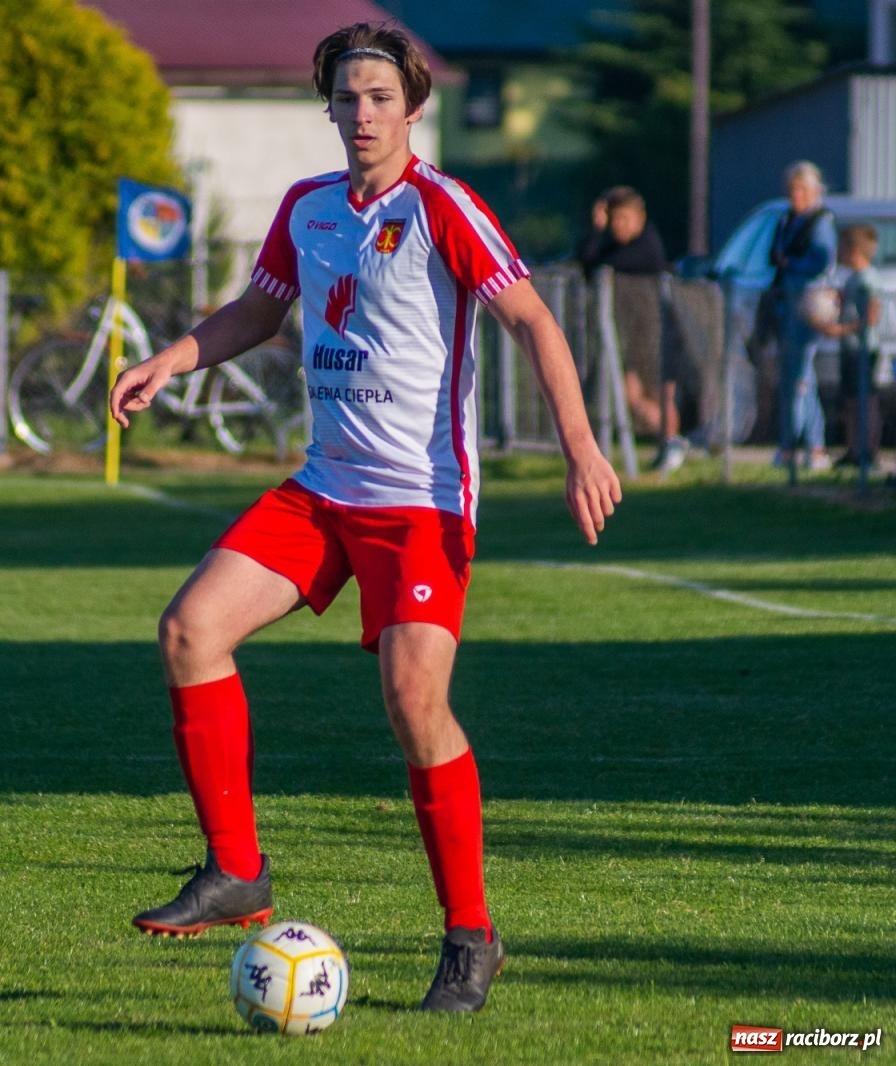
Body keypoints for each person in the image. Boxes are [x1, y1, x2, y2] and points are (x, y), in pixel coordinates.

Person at [108, 22, 621, 1014]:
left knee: (411, 704)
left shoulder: (444, 206)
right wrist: (173, 357)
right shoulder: (307, 208)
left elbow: (531, 320)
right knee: (190, 630)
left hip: (418, 506)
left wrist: (580, 445)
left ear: (413, 106)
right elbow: (256, 314)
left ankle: (470, 938)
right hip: (321, 490)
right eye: (346, 97)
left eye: (379, 96)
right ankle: (235, 869)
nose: (361, 114)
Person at [576, 187, 685, 471]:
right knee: (631, 394)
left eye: (625, 219)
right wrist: (597, 229)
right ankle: (669, 440)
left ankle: (671, 440)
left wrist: (601, 254)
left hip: (661, 330)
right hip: (634, 333)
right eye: (615, 220)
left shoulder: (647, 245)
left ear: (639, 218)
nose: (620, 226)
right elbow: (587, 261)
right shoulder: (611, 244)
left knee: (663, 389)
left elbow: (606, 264)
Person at [765, 161, 838, 472]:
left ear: (814, 191)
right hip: (788, 304)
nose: (796, 195)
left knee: (799, 377)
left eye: (802, 189)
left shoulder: (820, 221)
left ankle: (792, 446)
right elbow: (775, 254)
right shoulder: (788, 220)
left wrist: (791, 262)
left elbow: (821, 259)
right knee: (800, 377)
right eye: (793, 189)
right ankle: (812, 446)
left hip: (807, 305)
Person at [818, 224, 883, 475]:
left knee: (865, 401)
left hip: (863, 350)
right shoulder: (852, 279)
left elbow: (872, 316)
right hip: (850, 350)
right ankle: (854, 450)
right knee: (850, 401)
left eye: (843, 247)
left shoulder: (868, 279)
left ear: (854, 250)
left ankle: (868, 452)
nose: (839, 252)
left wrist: (840, 331)